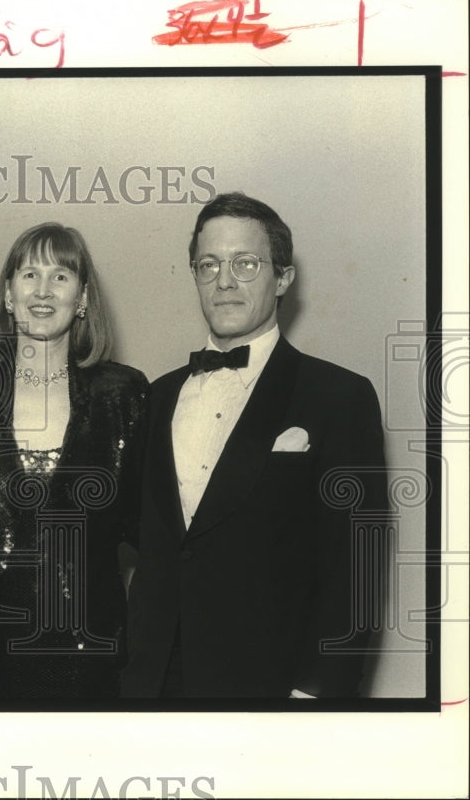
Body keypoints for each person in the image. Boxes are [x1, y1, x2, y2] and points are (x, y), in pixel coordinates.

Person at [122, 192, 388, 699]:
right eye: (209, 264)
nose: (224, 281)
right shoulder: (152, 397)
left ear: (282, 277)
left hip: (273, 692)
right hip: (150, 689)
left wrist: (316, 694)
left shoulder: (338, 396)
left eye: (245, 263)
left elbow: (357, 569)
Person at [0, 222, 148, 700]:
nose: (43, 291)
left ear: (82, 298)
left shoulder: (124, 395)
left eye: (61, 276)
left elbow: (152, 531)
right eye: (29, 274)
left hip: (92, 651)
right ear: (8, 293)